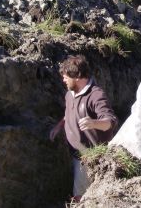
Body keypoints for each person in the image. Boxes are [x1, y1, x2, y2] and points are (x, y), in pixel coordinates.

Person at [50, 55, 118, 202]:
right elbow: (69, 112)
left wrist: (93, 123)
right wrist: (59, 125)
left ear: (78, 76)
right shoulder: (70, 94)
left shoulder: (96, 95)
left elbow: (110, 121)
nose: (63, 80)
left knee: (82, 197)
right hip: (75, 154)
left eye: (66, 76)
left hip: (89, 158)